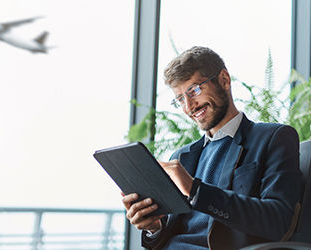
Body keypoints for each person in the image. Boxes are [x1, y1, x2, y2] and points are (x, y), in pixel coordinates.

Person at [122, 46, 302, 250]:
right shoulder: (181, 157)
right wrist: (154, 228)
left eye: (194, 90)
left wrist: (195, 190)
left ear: (224, 80)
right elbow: (169, 233)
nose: (189, 107)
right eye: (180, 99)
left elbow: (277, 221)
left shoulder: (273, 138)